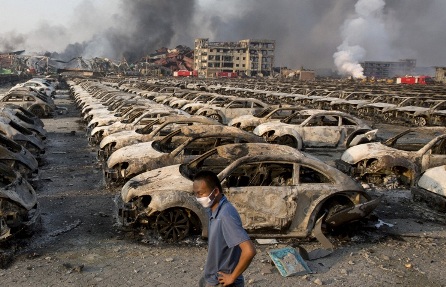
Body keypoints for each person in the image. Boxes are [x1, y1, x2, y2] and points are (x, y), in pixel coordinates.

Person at [193, 170, 256, 287]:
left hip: (222, 282)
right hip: (213, 278)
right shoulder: (213, 210)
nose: (198, 198)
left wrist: (232, 277)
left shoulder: (225, 215)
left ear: (216, 191)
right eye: (195, 194)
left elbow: (249, 250)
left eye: (201, 193)